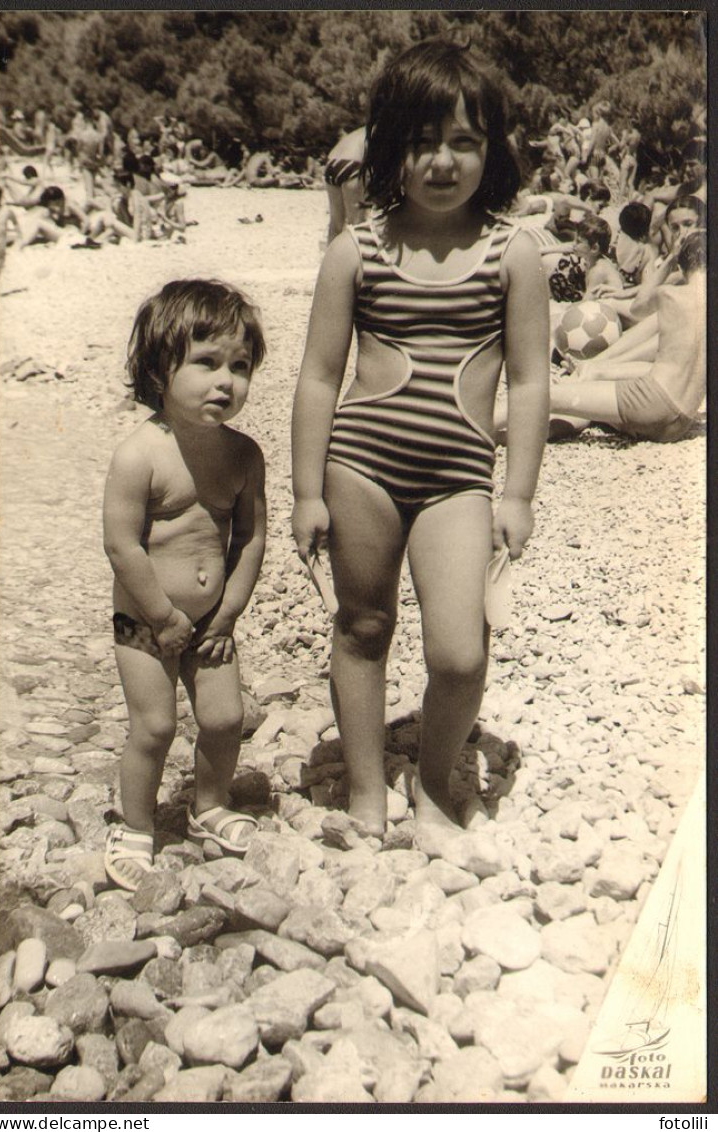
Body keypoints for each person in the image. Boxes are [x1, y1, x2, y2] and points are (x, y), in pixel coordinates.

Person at [291, 39, 549, 841]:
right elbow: (319, 378)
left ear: (491, 151)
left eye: (465, 142)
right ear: (389, 145)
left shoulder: (514, 254)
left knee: (460, 652)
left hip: (457, 479)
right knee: (363, 627)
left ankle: (434, 781)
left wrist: (518, 494)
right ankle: (368, 792)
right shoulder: (355, 251)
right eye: (423, 140)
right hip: (361, 467)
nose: (443, 161)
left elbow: (531, 382)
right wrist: (305, 491)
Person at [103, 280, 267, 890]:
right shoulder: (140, 454)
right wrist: (161, 614)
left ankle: (210, 806)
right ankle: (137, 825)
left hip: (209, 622)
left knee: (225, 719)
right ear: (159, 368)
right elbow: (122, 544)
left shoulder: (244, 455)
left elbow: (249, 537)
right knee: (154, 726)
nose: (225, 381)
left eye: (240, 366)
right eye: (206, 363)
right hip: (146, 620)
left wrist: (228, 613)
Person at [548, 231, 705, 443]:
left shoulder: (673, 294)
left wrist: (671, 258)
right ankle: (586, 377)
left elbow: (640, 307)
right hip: (680, 420)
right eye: (675, 226)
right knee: (595, 372)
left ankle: (497, 428)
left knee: (550, 397)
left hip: (653, 405)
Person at [324, 126, 368, 244]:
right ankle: (359, 259)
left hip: (331, 162)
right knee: (357, 224)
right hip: (353, 163)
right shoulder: (383, 132)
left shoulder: (359, 131)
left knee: (335, 224)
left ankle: (330, 260)